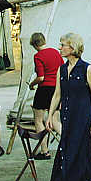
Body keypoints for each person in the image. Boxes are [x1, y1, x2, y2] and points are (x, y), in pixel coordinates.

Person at [46, 33, 91, 181]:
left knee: (79, 151)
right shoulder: (61, 70)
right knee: (66, 148)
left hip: (82, 118)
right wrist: (50, 115)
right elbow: (57, 95)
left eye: (63, 45)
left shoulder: (87, 69)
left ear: (73, 47)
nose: (59, 48)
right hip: (67, 117)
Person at [29, 32, 64, 160]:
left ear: (34, 44)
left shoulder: (38, 56)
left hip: (44, 89)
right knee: (55, 120)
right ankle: (68, 143)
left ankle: (45, 151)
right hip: (56, 89)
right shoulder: (55, 52)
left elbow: (41, 77)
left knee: (38, 120)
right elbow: (62, 69)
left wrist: (31, 85)